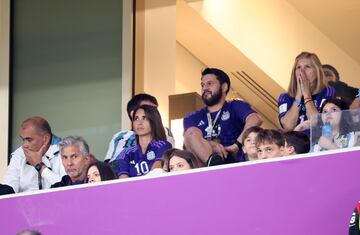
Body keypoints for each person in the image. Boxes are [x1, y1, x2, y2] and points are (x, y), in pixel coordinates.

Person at [183, 68, 262, 166]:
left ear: (224, 87)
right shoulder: (193, 116)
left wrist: (236, 145)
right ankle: (213, 163)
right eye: (202, 85)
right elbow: (191, 137)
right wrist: (210, 145)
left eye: (210, 84)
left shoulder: (235, 106)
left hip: (236, 162)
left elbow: (255, 119)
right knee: (189, 135)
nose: (204, 88)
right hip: (206, 167)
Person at [104, 93, 174, 163]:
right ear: (133, 113)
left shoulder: (164, 131)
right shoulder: (121, 135)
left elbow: (167, 159)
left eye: (155, 110)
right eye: (147, 109)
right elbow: (109, 164)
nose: (153, 113)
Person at [2, 116, 65, 193]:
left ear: (45, 139)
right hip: (25, 204)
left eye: (29, 140)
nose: (24, 145)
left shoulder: (65, 152)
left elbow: (68, 187)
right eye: (23, 139)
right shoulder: (19, 154)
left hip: (59, 202)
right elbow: (9, 187)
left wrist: (40, 166)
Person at [278, 52, 335, 133]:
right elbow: (288, 127)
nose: (302, 71)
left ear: (317, 72)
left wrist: (306, 94)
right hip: (295, 143)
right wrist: (298, 95)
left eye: (307, 67)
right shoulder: (284, 97)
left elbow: (317, 123)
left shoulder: (327, 92)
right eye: (298, 67)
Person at [116, 105, 172, 178]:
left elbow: (156, 173)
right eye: (136, 118)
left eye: (144, 118)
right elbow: (123, 182)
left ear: (154, 121)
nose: (139, 123)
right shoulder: (126, 154)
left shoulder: (163, 146)